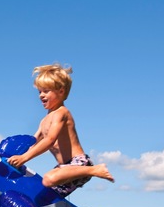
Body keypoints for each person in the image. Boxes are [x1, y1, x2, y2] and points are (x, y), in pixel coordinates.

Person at [7, 63, 114, 197]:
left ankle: (94, 169)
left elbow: (50, 140)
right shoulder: (44, 120)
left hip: (79, 164)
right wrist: (14, 157)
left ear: (61, 91)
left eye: (46, 91)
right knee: (42, 194)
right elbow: (33, 143)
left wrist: (24, 158)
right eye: (39, 91)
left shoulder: (61, 113)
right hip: (64, 168)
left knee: (48, 179)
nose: (41, 95)